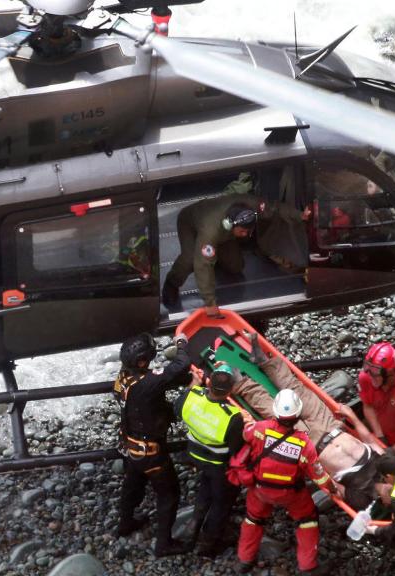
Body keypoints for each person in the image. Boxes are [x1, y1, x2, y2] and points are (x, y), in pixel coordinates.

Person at [232, 342, 383, 510]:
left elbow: (334, 488)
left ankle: (241, 383)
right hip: (332, 426)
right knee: (298, 391)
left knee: (274, 412)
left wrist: (309, 464)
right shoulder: (390, 468)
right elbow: (370, 440)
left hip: (312, 446)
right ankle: (264, 361)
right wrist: (352, 416)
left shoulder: (363, 499)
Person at [236, 389, 333, 575]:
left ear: (276, 412)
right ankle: (308, 566)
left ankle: (244, 560)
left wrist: (247, 420)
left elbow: (245, 435)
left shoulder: (260, 429)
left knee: (253, 519)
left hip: (260, 489)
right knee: (308, 520)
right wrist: (333, 489)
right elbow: (319, 476)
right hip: (290, 494)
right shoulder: (304, 444)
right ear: (298, 415)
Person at [113, 332, 193, 557]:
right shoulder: (148, 383)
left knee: (132, 485)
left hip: (131, 446)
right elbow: (181, 364)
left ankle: (125, 523)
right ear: (142, 362)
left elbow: (152, 386)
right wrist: (181, 343)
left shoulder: (123, 378)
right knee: (169, 494)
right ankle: (164, 544)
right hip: (152, 452)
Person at [174, 363, 245, 556]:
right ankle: (208, 543)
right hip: (219, 464)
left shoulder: (192, 396)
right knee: (221, 502)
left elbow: (177, 409)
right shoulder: (233, 417)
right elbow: (236, 448)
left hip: (196, 455)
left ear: (209, 384)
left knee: (205, 488)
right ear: (230, 390)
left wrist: (193, 387)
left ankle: (194, 525)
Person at [162, 192, 268, 316]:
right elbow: (203, 264)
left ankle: (217, 257)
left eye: (247, 231)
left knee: (236, 266)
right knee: (190, 260)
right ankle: (171, 283)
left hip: (225, 234)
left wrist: (291, 214)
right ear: (230, 224)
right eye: (242, 231)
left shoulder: (253, 205)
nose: (245, 234)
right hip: (190, 223)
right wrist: (210, 302)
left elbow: (274, 208)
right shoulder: (210, 231)